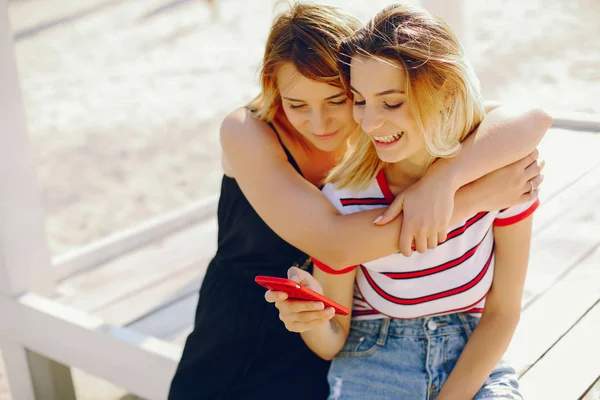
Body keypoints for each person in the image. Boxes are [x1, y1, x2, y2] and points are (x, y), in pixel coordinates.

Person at [169, 3, 551, 399]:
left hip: (335, 322)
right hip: (252, 316)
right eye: (296, 104)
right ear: (273, 89)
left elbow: (525, 120)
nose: (320, 124)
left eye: (337, 100)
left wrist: (442, 181)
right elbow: (336, 245)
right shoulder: (247, 130)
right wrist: (476, 197)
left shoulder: (378, 128)